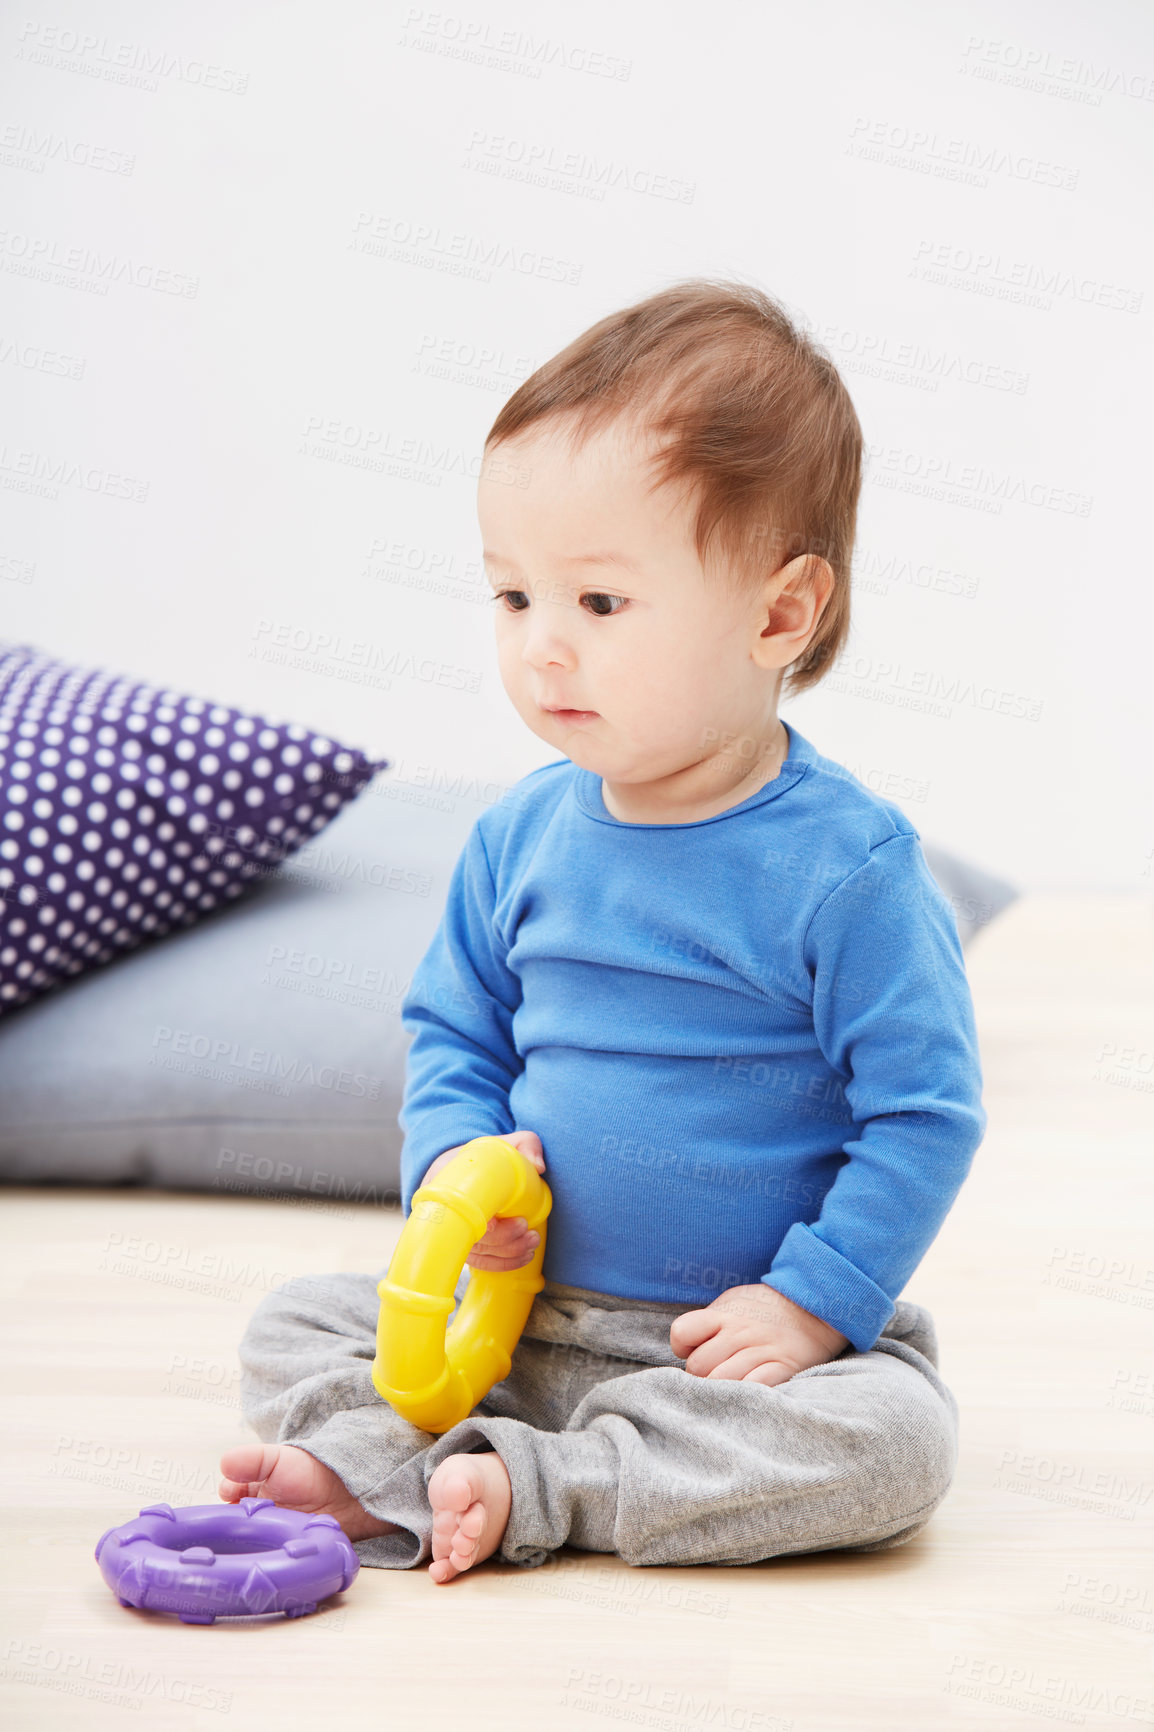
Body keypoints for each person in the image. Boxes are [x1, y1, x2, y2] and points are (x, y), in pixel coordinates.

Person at [219, 279, 986, 1585]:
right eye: (513, 599)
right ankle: (438, 1464)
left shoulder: (847, 872)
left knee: (895, 1444)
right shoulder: (517, 838)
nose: (540, 652)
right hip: (512, 1315)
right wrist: (455, 1179)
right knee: (291, 1325)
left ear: (777, 615)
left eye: (599, 605)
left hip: (724, 1348)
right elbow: (454, 1028)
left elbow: (923, 1112)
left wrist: (810, 1308)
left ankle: (538, 1483)